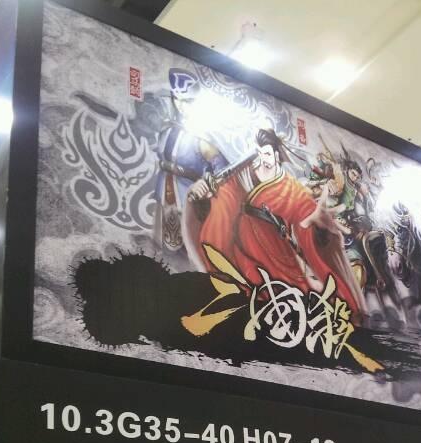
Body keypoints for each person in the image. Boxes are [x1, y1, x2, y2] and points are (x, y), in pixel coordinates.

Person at [188, 128, 364, 316]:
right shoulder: (244, 173)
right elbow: (227, 196)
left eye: (267, 154)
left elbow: (304, 214)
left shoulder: (290, 187)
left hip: (279, 250)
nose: (262, 159)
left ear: (276, 155)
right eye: (259, 153)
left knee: (300, 295)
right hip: (244, 245)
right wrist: (205, 192)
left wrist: (313, 222)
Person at [154, 70, 228, 251]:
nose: (181, 106)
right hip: (164, 191)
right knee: (160, 243)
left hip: (190, 196)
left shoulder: (203, 138)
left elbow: (223, 171)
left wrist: (207, 182)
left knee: (189, 247)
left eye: (187, 101)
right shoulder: (167, 129)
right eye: (177, 99)